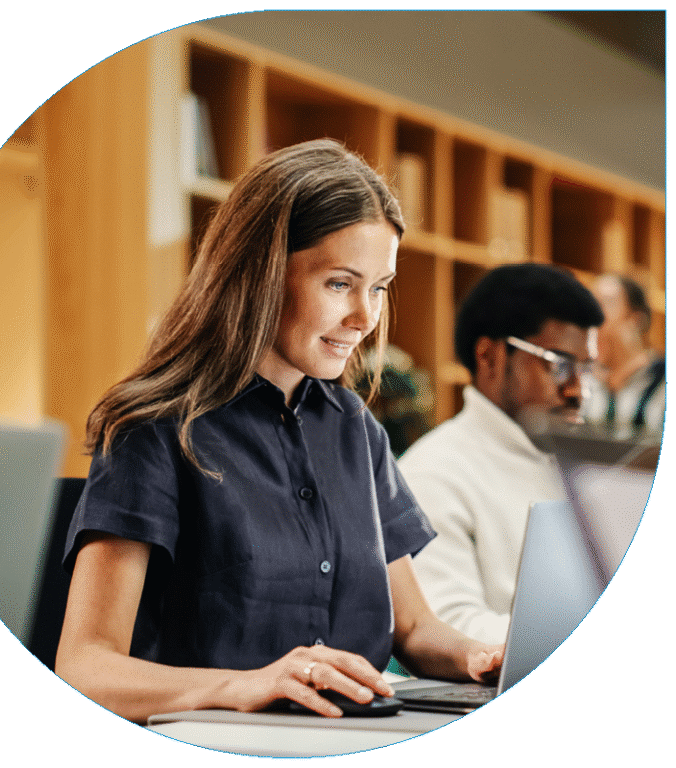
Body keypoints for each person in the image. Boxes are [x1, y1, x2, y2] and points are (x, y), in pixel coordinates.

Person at [54, 139, 502, 724]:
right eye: (340, 284)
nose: (365, 318)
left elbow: (415, 629)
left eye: (379, 287)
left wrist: (483, 656)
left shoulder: (356, 430)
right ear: (260, 275)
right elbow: (85, 669)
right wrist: (244, 684)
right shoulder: (157, 430)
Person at [398, 264, 605, 644]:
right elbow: (447, 629)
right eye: (559, 366)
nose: (579, 391)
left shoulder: (585, 471)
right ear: (489, 356)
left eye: (587, 370)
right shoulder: (431, 474)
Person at [582, 273, 665, 435]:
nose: (593, 316)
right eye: (591, 304)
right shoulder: (584, 380)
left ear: (635, 320)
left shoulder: (662, 381)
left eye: (605, 303)